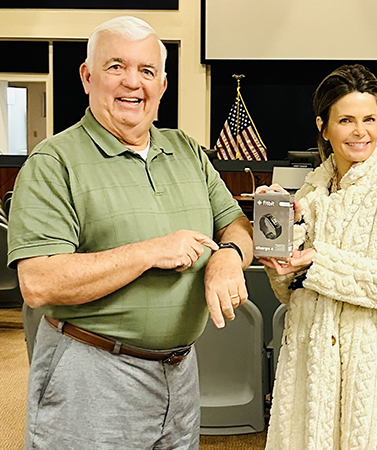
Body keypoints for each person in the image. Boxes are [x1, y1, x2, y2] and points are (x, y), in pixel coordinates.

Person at [8, 16, 253, 450]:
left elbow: (235, 224)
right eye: (116, 67)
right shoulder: (54, 162)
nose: (132, 83)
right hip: (91, 374)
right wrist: (149, 252)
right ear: (87, 76)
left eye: (146, 71)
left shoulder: (188, 152)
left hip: (179, 373)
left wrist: (229, 254)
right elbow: (38, 282)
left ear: (162, 83)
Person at [258, 64, 377, 450]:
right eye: (346, 120)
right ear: (324, 126)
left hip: (368, 374)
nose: (360, 131)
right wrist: (283, 259)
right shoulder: (310, 189)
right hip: (309, 365)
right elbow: (291, 293)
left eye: (369, 119)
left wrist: (318, 261)